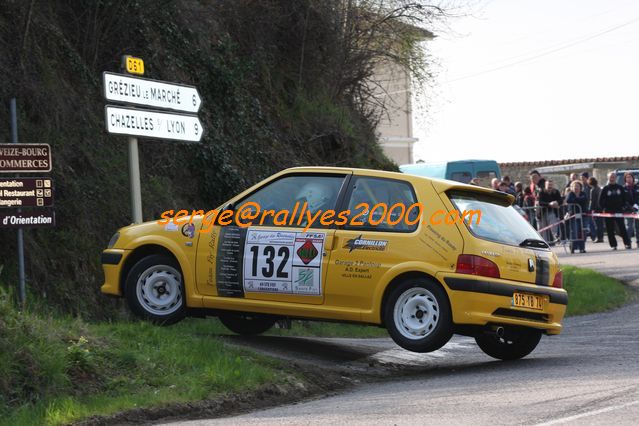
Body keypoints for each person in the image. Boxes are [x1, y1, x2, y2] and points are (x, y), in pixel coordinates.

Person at [599, 172, 632, 250]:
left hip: (618, 211)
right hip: (608, 212)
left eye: (613, 177)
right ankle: (613, 245)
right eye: (611, 177)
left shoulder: (620, 187)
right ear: (608, 178)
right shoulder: (605, 188)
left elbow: (625, 199)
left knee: (622, 228)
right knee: (610, 230)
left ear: (616, 178)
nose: (612, 178)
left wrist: (623, 207)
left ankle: (627, 244)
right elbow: (600, 201)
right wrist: (604, 208)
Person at [566, 181, 587, 253]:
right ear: (571, 188)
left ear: (580, 187)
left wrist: (576, 200)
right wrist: (578, 200)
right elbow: (568, 200)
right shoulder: (570, 194)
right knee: (574, 231)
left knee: (582, 232)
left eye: (577, 186)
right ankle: (573, 247)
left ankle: (582, 248)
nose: (576, 188)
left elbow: (584, 200)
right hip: (573, 215)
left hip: (583, 215)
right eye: (574, 186)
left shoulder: (583, 193)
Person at [623, 172, 639, 247]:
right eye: (627, 177)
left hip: (637, 210)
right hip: (627, 210)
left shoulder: (637, 187)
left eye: (630, 177)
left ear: (633, 178)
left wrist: (636, 206)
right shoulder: (623, 188)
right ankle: (628, 243)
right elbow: (623, 200)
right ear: (625, 179)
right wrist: (630, 207)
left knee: (637, 226)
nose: (629, 179)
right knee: (629, 227)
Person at [588, 177, 604, 243]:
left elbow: (592, 201)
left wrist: (590, 209)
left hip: (596, 209)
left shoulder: (592, 190)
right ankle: (601, 237)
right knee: (601, 224)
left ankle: (599, 237)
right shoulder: (599, 188)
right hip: (600, 208)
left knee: (597, 224)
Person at [580, 172, 595, 241]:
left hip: (588, 207)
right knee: (583, 223)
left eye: (583, 178)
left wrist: (590, 207)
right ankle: (584, 237)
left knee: (590, 222)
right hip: (581, 207)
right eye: (581, 178)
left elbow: (591, 198)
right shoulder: (580, 186)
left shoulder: (590, 187)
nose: (582, 179)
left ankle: (593, 235)